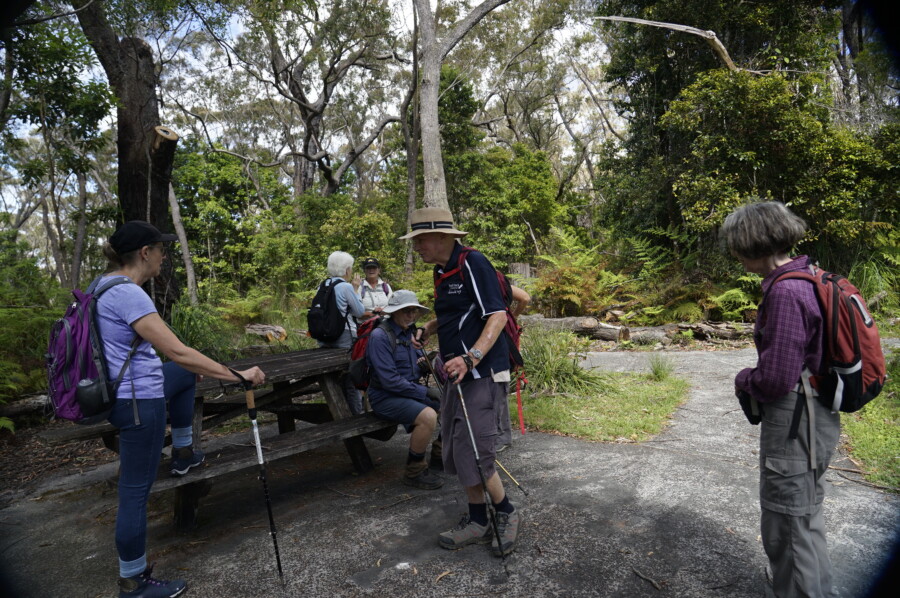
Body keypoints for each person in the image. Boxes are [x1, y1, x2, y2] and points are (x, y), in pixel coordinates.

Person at [96, 221, 265, 598]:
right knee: (134, 492)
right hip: (139, 401)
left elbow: (171, 360)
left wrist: (192, 367)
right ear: (145, 253)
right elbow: (178, 350)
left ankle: (184, 453)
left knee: (184, 374)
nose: (164, 256)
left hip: (117, 393)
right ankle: (133, 583)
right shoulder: (129, 294)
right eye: (161, 250)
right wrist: (237, 375)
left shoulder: (100, 286)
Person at [721, 202, 840, 598]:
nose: (735, 254)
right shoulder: (807, 277)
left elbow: (775, 378)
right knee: (805, 517)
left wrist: (743, 378)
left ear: (754, 243)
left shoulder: (786, 291)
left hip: (795, 421)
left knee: (787, 524)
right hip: (813, 415)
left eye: (737, 245)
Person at [400, 207, 520, 558]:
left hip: (482, 372)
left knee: (477, 449)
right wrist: (429, 327)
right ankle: (478, 519)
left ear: (442, 237)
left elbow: (497, 315)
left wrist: (472, 357)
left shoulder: (473, 263)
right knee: (456, 446)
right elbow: (455, 312)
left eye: (420, 240)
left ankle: (506, 513)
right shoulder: (441, 270)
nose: (416, 247)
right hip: (457, 373)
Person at [366, 290, 443, 489]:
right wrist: (425, 392)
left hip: (408, 392)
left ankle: (440, 455)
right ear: (394, 312)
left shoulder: (410, 333)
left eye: (414, 311)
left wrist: (424, 365)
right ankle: (414, 471)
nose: (411, 315)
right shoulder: (379, 336)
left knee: (451, 403)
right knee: (428, 416)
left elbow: (412, 367)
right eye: (405, 311)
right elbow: (390, 381)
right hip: (384, 397)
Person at [317, 251, 366, 415]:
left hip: (324, 338)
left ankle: (339, 412)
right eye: (350, 268)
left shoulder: (323, 285)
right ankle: (355, 416)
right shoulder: (346, 287)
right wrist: (356, 289)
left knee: (334, 379)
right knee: (350, 379)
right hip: (344, 338)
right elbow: (359, 312)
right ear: (346, 270)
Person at [495, 283, 530, 452]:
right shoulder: (495, 279)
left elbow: (525, 297)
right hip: (501, 340)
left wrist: (512, 316)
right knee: (496, 389)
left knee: (497, 388)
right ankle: (500, 435)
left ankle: (501, 436)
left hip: (500, 342)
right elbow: (525, 298)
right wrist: (512, 316)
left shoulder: (493, 279)